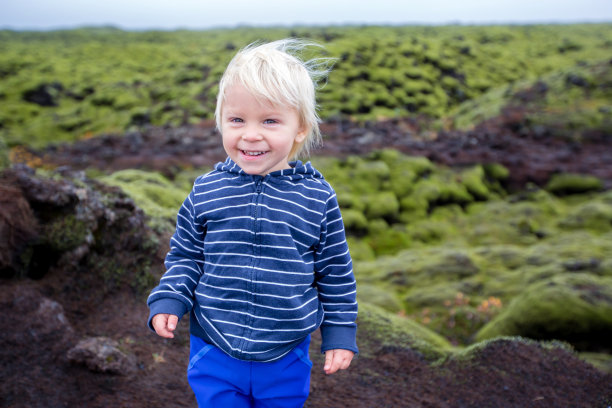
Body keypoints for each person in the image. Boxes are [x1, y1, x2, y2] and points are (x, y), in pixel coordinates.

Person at [147, 39, 358, 407]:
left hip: (285, 353)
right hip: (213, 346)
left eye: (270, 121)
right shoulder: (206, 190)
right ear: (221, 122)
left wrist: (339, 333)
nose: (251, 134)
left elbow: (335, 273)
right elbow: (185, 256)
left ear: (300, 129)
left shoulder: (317, 198)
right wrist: (169, 298)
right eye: (237, 120)